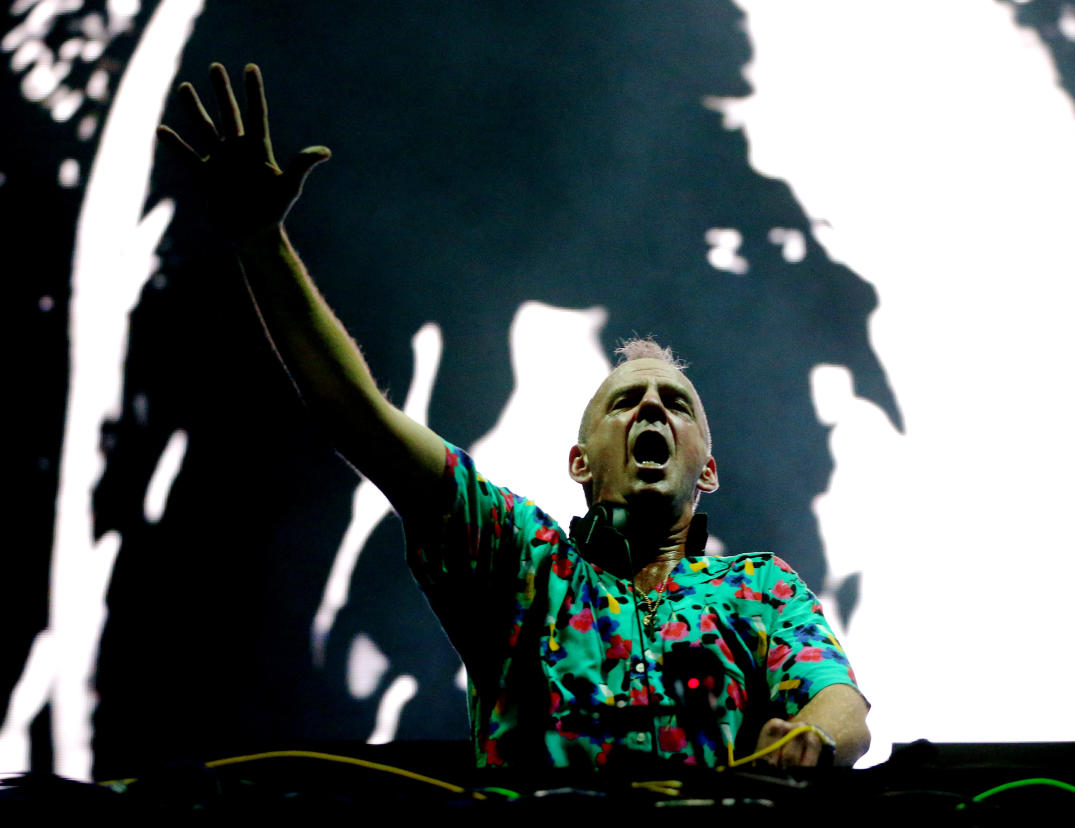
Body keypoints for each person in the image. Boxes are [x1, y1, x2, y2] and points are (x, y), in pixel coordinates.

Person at [158, 63, 870, 770]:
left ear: (707, 469)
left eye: (676, 405)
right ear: (580, 461)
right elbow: (359, 418)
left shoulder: (760, 587)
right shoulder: (521, 562)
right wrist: (260, 241)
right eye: (624, 401)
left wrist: (814, 736)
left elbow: (842, 704)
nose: (652, 405)